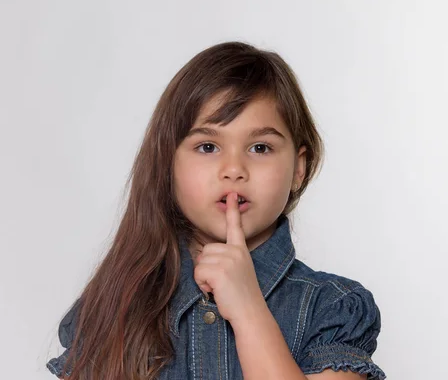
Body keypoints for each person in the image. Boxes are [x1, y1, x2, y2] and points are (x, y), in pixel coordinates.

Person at [46, 41, 386, 380]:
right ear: (169, 164)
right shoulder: (113, 305)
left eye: (260, 147)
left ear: (299, 168)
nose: (233, 168)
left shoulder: (333, 308)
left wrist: (248, 309)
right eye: (208, 146)